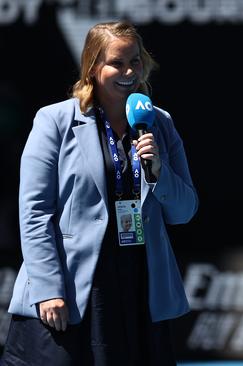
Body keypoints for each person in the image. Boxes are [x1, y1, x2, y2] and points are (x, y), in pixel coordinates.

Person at [0, 21, 198, 365]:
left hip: (139, 285)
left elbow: (183, 212)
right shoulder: (54, 121)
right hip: (76, 285)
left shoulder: (159, 123)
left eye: (134, 62)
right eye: (116, 63)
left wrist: (158, 170)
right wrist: (48, 289)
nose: (128, 72)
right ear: (93, 67)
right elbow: (34, 213)